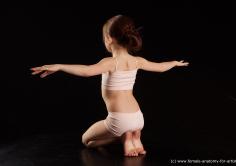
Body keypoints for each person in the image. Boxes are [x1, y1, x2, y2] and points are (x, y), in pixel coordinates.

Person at [30, 15, 189, 157]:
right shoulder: (137, 61)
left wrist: (59, 66)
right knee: (119, 129)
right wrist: (174, 63)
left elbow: (87, 71)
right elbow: (160, 67)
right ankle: (133, 136)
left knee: (86, 141)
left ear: (108, 38)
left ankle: (123, 137)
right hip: (138, 117)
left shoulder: (110, 62)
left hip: (119, 119)